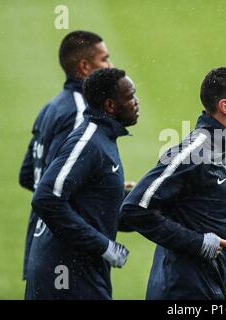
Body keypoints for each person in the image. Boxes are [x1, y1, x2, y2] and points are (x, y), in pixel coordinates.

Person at [119, 66, 226, 300]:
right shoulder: (192, 153)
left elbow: (201, 216)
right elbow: (134, 209)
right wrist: (198, 243)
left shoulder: (220, 148)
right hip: (182, 293)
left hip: (203, 289)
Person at [25, 68, 140, 299]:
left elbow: (93, 207)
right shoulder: (88, 141)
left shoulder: (103, 138)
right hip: (65, 274)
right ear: (109, 105)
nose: (136, 102)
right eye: (130, 96)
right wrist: (104, 246)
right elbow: (46, 198)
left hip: (82, 269)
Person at [19, 30, 114, 280]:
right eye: (104, 59)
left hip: (39, 249)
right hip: (67, 257)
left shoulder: (51, 107)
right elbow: (56, 187)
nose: (111, 66)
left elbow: (28, 175)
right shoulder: (81, 113)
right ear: (84, 67)